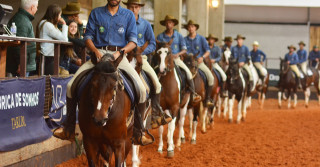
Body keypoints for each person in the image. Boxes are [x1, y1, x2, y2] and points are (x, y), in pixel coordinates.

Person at [54, 0, 153, 146]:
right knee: (70, 86)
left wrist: (120, 52)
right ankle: (68, 128)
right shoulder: (96, 13)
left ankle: (139, 133)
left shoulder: (128, 16)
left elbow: (133, 41)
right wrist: (95, 51)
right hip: (98, 54)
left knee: (142, 90)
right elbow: (87, 37)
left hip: (119, 55)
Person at [123, 0, 172, 129]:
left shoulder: (145, 24)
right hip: (123, 57)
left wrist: (142, 51)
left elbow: (152, 43)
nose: (133, 9)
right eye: (131, 7)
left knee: (156, 84)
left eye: (136, 7)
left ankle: (156, 113)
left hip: (141, 58)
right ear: (127, 7)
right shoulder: (121, 21)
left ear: (139, 8)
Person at [156, 15, 201, 104]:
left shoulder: (179, 36)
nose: (169, 24)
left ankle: (193, 93)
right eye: (167, 22)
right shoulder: (160, 36)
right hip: (163, 60)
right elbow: (156, 49)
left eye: (170, 22)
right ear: (165, 24)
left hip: (176, 59)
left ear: (173, 24)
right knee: (154, 74)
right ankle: (153, 96)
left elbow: (184, 49)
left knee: (188, 73)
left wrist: (177, 54)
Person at [183, 20, 214, 107]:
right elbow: (182, 51)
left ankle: (207, 99)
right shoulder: (184, 39)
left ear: (195, 28)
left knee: (211, 77)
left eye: (192, 26)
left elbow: (208, 51)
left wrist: (202, 57)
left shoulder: (201, 39)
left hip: (199, 63)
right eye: (189, 27)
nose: (191, 28)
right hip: (187, 64)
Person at [6, 0, 39, 77]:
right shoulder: (22, 21)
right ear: (32, 7)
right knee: (21, 87)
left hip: (24, 63)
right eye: (37, 7)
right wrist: (21, 63)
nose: (37, 9)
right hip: (21, 65)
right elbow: (18, 44)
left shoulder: (23, 19)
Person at [38, 4, 68, 75]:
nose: (60, 17)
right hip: (48, 57)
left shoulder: (44, 23)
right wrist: (64, 24)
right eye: (59, 15)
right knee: (50, 80)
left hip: (47, 56)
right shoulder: (48, 25)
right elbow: (64, 39)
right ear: (55, 15)